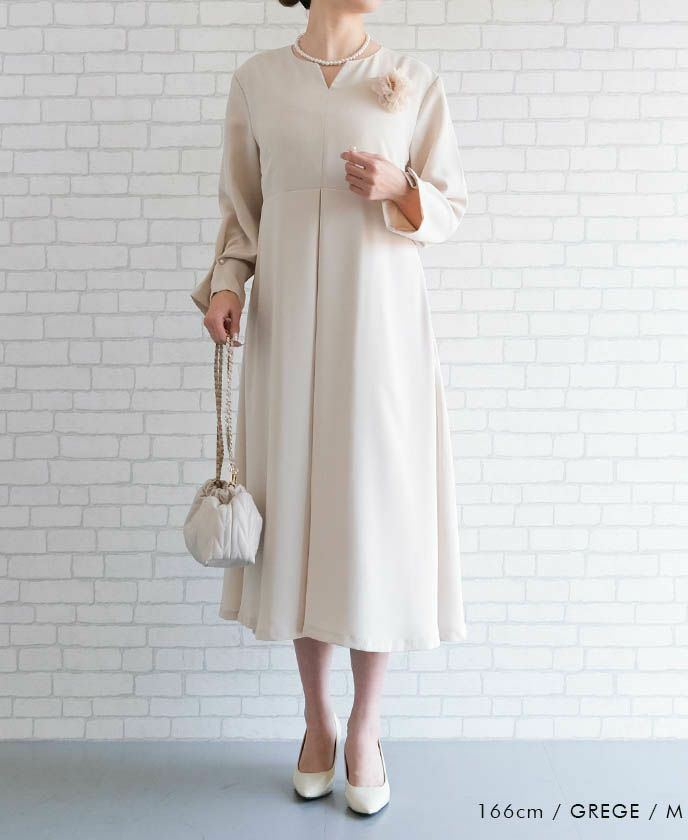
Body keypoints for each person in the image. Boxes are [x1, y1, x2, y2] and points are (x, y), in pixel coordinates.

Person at [190, 0, 469, 816]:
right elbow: (241, 216)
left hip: (380, 333)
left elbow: (451, 204)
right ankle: (317, 722)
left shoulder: (411, 79)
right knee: (301, 520)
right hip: (287, 335)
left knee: (373, 518)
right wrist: (227, 287)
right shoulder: (257, 81)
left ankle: (366, 729)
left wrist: (401, 186)